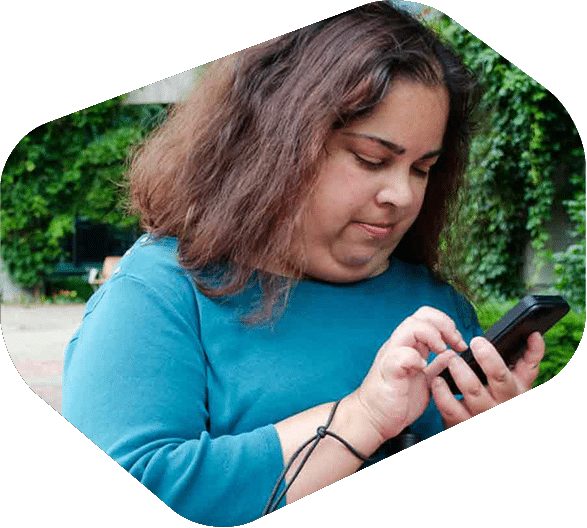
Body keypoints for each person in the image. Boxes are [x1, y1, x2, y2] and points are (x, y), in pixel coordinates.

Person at [61, 2, 546, 526]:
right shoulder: (161, 292)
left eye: (423, 169)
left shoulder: (436, 304)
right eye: (370, 159)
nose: (402, 195)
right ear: (271, 143)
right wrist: (359, 419)